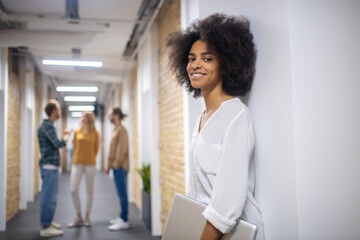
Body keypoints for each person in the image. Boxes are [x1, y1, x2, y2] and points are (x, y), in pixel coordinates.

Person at [166, 13, 264, 240]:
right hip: (203, 229)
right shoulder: (203, 117)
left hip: (230, 232)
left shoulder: (236, 116)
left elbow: (228, 199)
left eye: (207, 59)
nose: (195, 65)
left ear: (226, 65)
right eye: (191, 58)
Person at [37, 99, 70, 237]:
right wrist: (66, 137)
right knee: (48, 198)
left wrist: (62, 137)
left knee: (50, 197)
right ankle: (45, 227)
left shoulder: (48, 125)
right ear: (53, 111)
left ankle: (48, 222)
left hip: (49, 166)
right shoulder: (48, 126)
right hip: (49, 167)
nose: (60, 112)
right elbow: (58, 144)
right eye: (58, 109)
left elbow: (53, 143)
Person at [67, 112, 99, 228]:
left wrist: (89, 157)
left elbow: (96, 149)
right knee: (73, 189)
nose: (83, 119)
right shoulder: (76, 132)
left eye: (85, 117)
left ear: (90, 119)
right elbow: (74, 147)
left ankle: (87, 216)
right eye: (82, 117)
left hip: (90, 164)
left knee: (89, 190)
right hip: (77, 164)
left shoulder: (95, 133)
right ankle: (78, 216)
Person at [106, 108, 130, 231]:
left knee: (122, 194)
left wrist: (115, 165)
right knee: (120, 194)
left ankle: (124, 220)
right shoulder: (116, 129)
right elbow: (113, 149)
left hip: (120, 167)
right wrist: (109, 165)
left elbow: (122, 150)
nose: (108, 116)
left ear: (115, 115)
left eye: (109, 114)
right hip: (116, 167)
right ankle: (121, 217)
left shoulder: (122, 130)